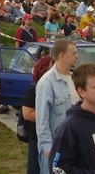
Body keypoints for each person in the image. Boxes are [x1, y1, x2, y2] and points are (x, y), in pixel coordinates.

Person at [36, 39, 80, 174]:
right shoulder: (46, 83)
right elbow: (42, 119)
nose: (77, 56)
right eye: (74, 53)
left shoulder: (74, 79)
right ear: (62, 56)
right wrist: (48, 148)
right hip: (56, 149)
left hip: (75, 146)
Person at [22, 56, 54, 174]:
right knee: (35, 167)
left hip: (50, 135)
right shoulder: (33, 89)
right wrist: (51, 116)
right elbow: (27, 114)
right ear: (43, 70)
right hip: (36, 136)